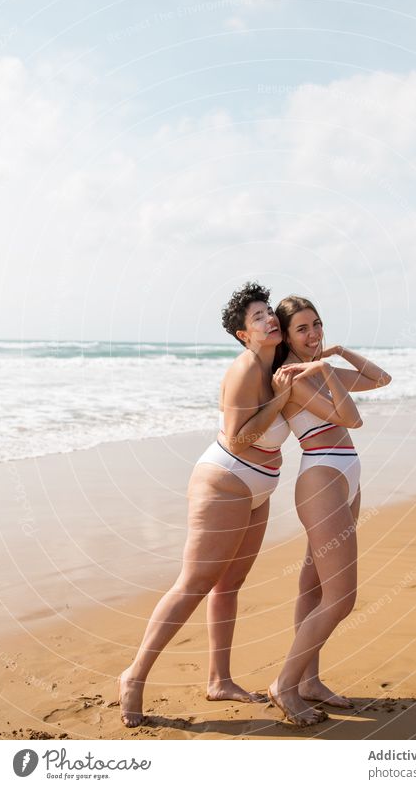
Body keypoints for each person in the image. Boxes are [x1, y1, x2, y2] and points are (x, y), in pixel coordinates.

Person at [118, 282, 296, 727]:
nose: (268, 320)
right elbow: (239, 437)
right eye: (257, 317)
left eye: (269, 313)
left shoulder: (278, 363)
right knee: (194, 583)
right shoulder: (244, 371)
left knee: (229, 585)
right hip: (226, 482)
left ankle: (219, 679)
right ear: (243, 334)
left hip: (260, 486)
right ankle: (134, 677)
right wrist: (281, 399)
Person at [268, 295, 392, 726]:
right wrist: (321, 368)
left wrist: (335, 354)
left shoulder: (320, 366)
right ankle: (284, 684)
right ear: (285, 335)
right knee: (341, 598)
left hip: (344, 476)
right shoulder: (291, 376)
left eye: (317, 325)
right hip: (320, 477)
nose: (314, 334)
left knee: (315, 587)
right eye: (302, 328)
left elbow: (381, 378)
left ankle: (309, 681)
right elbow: (351, 417)